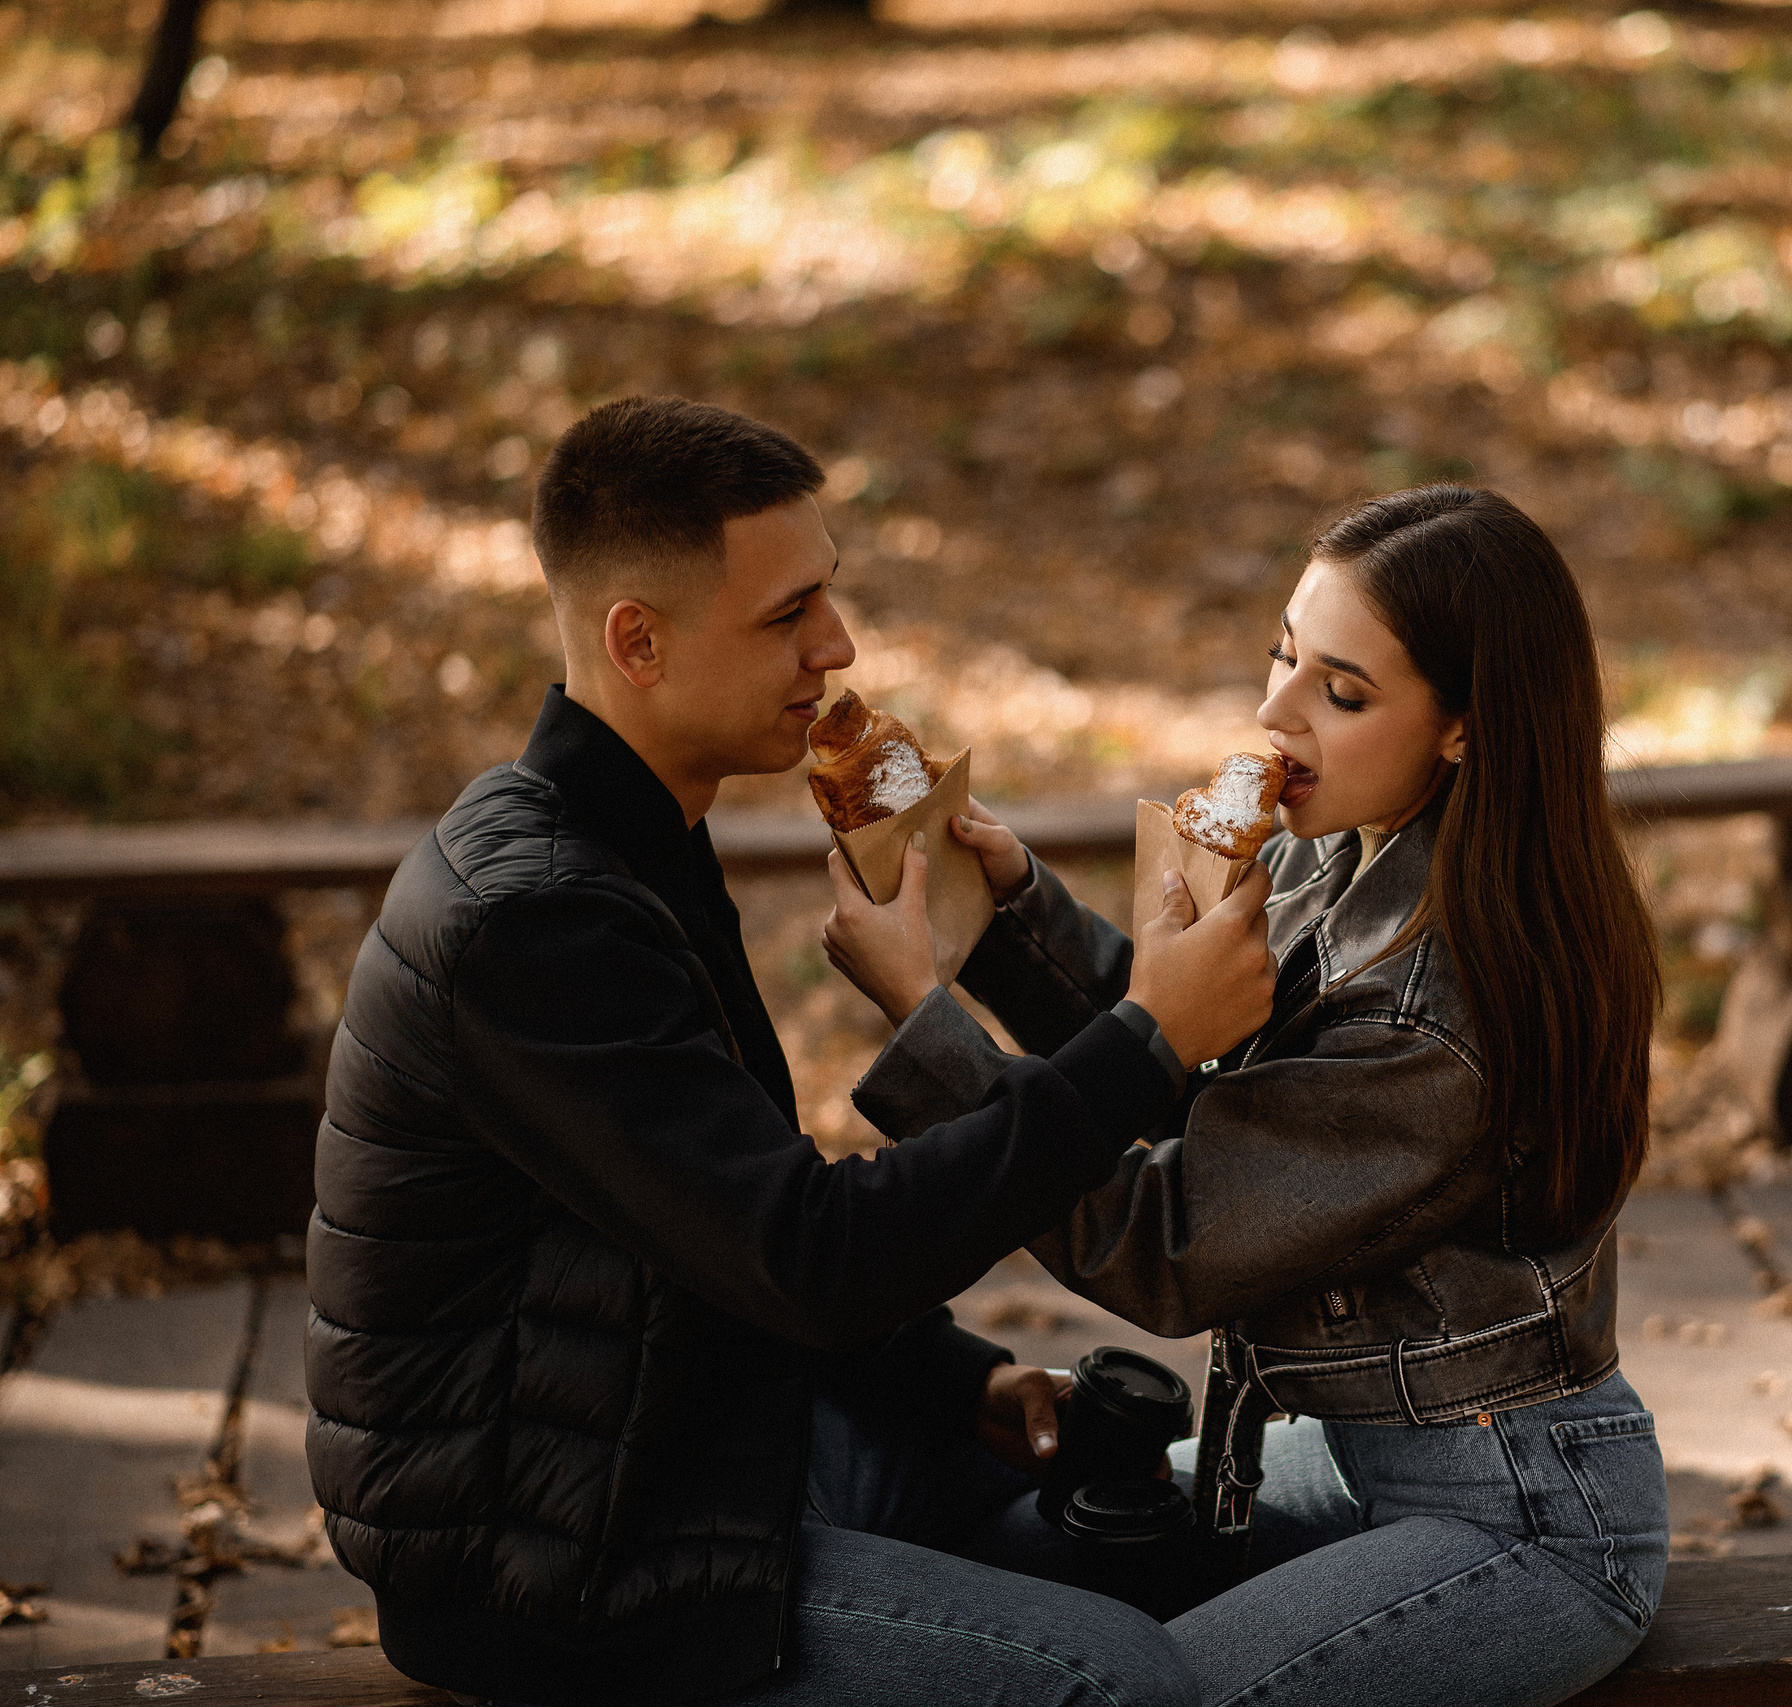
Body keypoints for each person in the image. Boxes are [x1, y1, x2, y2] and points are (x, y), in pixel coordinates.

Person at [303, 396, 1277, 1707]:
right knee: (1124, 1676)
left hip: (694, 1436)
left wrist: (961, 1380)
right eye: (785, 616)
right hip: (564, 1566)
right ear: (634, 639)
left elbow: (721, 1230)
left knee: (1136, 1533)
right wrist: (1145, 1042)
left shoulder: (634, 838)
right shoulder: (533, 917)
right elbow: (811, 1254)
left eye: (827, 595)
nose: (839, 645)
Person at [828, 485, 1670, 1707]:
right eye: (1283, 654)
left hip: (1521, 1513)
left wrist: (927, 1026)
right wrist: (1015, 917)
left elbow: (1164, 1243)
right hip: (1346, 1453)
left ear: (1465, 730)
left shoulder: (1439, 1013)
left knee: (1123, 1691)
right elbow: (1209, 1075)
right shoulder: (1330, 850)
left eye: (1343, 692)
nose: (1275, 716)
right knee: (997, 1571)